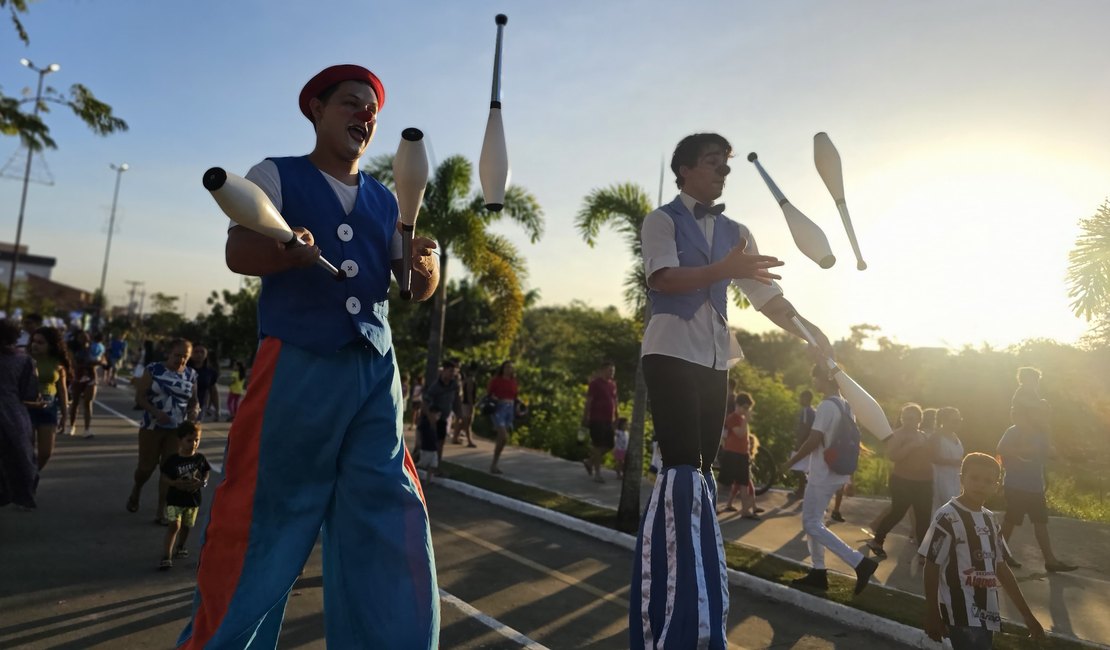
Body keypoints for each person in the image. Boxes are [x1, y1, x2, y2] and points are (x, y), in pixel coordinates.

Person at [176, 65, 440, 650]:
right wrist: (287, 255)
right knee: (263, 520)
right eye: (350, 103)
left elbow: (413, 284)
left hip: (375, 371)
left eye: (370, 111)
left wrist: (428, 263)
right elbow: (239, 248)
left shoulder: (384, 199)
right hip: (297, 365)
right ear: (316, 110)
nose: (364, 117)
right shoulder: (277, 174)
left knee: (388, 517)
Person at [631, 132, 839, 649]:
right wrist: (723, 270)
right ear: (684, 170)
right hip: (669, 350)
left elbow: (766, 296)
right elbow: (663, 280)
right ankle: (672, 609)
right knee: (680, 469)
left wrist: (811, 331)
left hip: (715, 358)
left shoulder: (736, 230)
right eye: (713, 164)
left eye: (726, 166)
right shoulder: (661, 220)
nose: (723, 173)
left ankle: (700, 598)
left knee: (700, 473)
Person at [922, 452, 1045, 649]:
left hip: (987, 611)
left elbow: (1001, 568)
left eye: (988, 481)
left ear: (996, 486)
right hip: (959, 611)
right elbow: (931, 565)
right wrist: (932, 612)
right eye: (975, 478)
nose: (981, 484)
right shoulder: (947, 516)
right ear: (962, 479)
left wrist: (1027, 615)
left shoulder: (991, 520)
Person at [784, 365, 879, 594]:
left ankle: (859, 562)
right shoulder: (847, 405)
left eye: (814, 377)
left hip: (823, 474)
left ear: (823, 378)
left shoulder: (826, 406)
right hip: (838, 472)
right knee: (814, 521)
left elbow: (813, 440)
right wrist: (851, 477)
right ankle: (818, 572)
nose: (813, 382)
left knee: (811, 523)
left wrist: (790, 462)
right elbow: (854, 444)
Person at [997, 398, 1076, 572]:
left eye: (1047, 412)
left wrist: (1054, 453)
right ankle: (997, 554)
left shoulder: (1042, 433)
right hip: (1015, 484)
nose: (1045, 415)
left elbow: (1048, 452)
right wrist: (1023, 451)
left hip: (1035, 485)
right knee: (1011, 521)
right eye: (1042, 411)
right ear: (1032, 413)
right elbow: (1001, 449)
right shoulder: (1014, 431)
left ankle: (1050, 560)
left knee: (1040, 522)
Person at [128, 338, 198, 524]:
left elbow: (193, 401)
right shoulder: (153, 370)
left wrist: (194, 410)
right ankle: (137, 490)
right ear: (169, 353)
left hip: (176, 431)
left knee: (169, 470)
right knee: (146, 468)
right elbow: (140, 397)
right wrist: (155, 412)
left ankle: (162, 511)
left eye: (185, 357)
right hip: (152, 427)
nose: (181, 360)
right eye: (177, 355)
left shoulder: (191, 374)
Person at [868, 403, 933, 560]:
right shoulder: (897, 435)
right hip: (903, 481)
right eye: (905, 417)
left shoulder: (923, 435)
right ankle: (877, 540)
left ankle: (923, 552)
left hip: (924, 481)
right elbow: (893, 456)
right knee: (898, 512)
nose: (908, 420)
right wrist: (910, 446)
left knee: (924, 516)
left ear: (919, 419)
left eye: (911, 417)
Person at [159, 421, 211, 570]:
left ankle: (181, 546)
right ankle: (166, 555)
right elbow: (164, 476)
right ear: (180, 441)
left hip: (192, 500)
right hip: (174, 499)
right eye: (189, 440)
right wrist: (174, 483)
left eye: (197, 440)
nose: (194, 443)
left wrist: (203, 482)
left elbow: (206, 471)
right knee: (174, 525)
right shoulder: (173, 460)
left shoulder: (199, 459)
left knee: (187, 525)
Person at [0, 319, 39, 511]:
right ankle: (17, 494)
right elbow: (29, 393)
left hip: (11, 412)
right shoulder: (23, 360)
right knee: (21, 457)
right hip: (12, 414)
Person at [27, 327, 72, 470]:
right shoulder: (24, 360)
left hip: (49, 409)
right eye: (34, 341)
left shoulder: (57, 363)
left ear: (51, 345)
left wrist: (65, 415)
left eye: (41, 342)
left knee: (46, 452)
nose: (35, 344)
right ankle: (25, 478)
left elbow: (63, 390)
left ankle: (33, 474)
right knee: (26, 450)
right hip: (27, 409)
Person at [719, 392, 758, 519]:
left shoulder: (741, 419)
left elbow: (745, 437)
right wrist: (746, 420)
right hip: (731, 453)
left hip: (742, 454)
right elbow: (740, 434)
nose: (747, 411)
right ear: (738, 405)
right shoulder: (733, 418)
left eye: (748, 408)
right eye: (745, 407)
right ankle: (709, 503)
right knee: (723, 482)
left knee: (744, 483)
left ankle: (745, 510)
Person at [420, 360, 462, 472]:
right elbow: (425, 402)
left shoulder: (454, 385)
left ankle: (436, 467)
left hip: (444, 418)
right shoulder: (436, 386)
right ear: (444, 370)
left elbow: (456, 399)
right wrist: (430, 417)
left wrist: (459, 413)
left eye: (454, 371)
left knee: (440, 443)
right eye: (450, 371)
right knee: (427, 444)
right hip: (433, 418)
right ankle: (420, 464)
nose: (452, 374)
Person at [582, 360, 617, 484]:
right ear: (603, 370)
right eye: (609, 370)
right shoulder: (595, 384)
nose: (612, 373)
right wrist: (585, 417)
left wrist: (616, 417)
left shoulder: (612, 384)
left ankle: (590, 462)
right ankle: (597, 474)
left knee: (609, 445)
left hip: (608, 420)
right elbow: (589, 401)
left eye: (613, 371)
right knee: (597, 445)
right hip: (596, 418)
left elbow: (614, 401)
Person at [487, 361, 519, 475]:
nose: (508, 369)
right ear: (502, 368)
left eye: (511, 367)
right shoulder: (496, 380)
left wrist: (517, 408)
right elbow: (489, 393)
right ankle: (494, 463)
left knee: (501, 439)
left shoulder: (513, 382)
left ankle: (494, 464)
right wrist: (494, 398)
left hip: (509, 409)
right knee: (503, 436)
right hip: (499, 408)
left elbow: (515, 396)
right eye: (506, 367)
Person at [931, 407, 965, 513]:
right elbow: (933, 458)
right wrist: (955, 462)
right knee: (947, 509)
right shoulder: (936, 436)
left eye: (959, 420)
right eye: (954, 421)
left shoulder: (955, 436)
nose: (958, 423)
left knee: (956, 508)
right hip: (941, 478)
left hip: (956, 478)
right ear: (944, 421)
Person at [66, 331, 99, 438]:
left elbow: (101, 360)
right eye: (81, 337)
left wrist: (97, 362)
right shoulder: (73, 349)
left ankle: (87, 429)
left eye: (86, 336)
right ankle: (72, 426)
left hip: (91, 377)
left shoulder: (93, 349)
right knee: (75, 403)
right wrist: (90, 363)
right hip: (78, 377)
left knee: (88, 402)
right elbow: (74, 364)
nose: (84, 338)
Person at [790, 389, 817, 499]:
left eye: (801, 397)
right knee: (804, 467)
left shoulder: (806, 410)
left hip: (804, 443)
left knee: (798, 467)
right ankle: (803, 488)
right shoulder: (813, 410)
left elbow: (805, 427)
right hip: (810, 442)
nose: (800, 400)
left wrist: (799, 442)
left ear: (806, 399)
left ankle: (802, 490)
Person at [188, 345, 220, 423]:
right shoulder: (184, 369)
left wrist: (217, 410)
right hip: (182, 405)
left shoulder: (210, 372)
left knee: (193, 431)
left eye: (202, 352)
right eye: (196, 352)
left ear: (206, 354)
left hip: (200, 406)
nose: (199, 354)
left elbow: (213, 391)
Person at [452, 362, 478, 447]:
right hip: (467, 403)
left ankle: (455, 437)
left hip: (464, 402)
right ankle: (469, 441)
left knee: (464, 422)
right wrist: (471, 405)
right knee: (468, 422)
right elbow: (469, 393)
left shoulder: (465, 380)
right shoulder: (470, 380)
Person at [416, 404, 443, 484]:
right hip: (426, 448)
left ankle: (427, 481)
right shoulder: (425, 423)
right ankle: (409, 470)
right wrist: (418, 441)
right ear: (431, 414)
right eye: (437, 415)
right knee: (421, 465)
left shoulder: (436, 425)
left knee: (432, 466)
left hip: (433, 449)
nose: (438, 417)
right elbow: (419, 430)